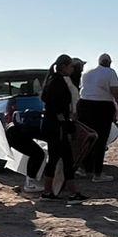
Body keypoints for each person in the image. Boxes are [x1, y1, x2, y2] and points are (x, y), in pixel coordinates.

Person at [39, 54, 84, 201]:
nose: (72, 69)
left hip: (55, 124)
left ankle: (57, 191)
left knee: (61, 158)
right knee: (62, 158)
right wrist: (65, 122)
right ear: (64, 66)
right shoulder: (57, 82)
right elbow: (56, 106)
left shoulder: (55, 80)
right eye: (71, 66)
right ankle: (67, 192)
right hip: (57, 126)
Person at [77, 54, 118, 181]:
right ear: (109, 62)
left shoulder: (87, 73)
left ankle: (84, 168)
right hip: (101, 106)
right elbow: (116, 91)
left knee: (88, 137)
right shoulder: (110, 72)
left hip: (84, 105)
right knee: (101, 139)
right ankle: (97, 173)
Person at [2, 97, 47, 193]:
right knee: (38, 154)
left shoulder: (44, 117)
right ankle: (30, 184)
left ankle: (30, 181)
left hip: (12, 130)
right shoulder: (51, 125)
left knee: (36, 153)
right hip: (14, 134)